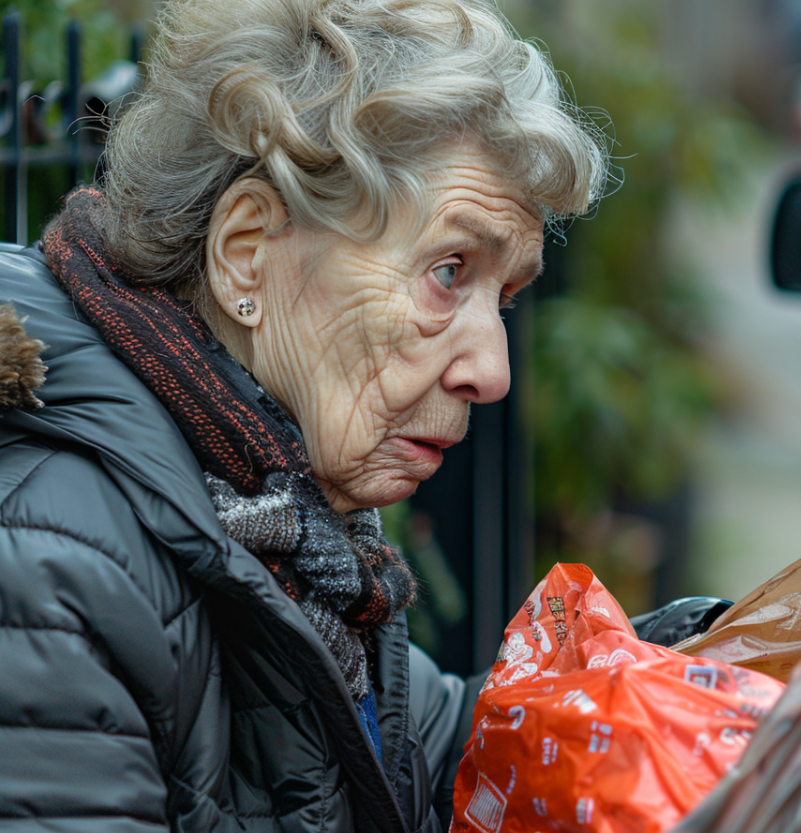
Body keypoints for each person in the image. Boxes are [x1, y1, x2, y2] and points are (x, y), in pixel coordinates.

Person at [0, 0, 607, 830]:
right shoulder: (53, 568)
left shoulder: (283, 524)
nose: (491, 370)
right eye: (446, 271)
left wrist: (742, 664)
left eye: (502, 296)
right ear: (247, 254)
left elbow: (448, 750)